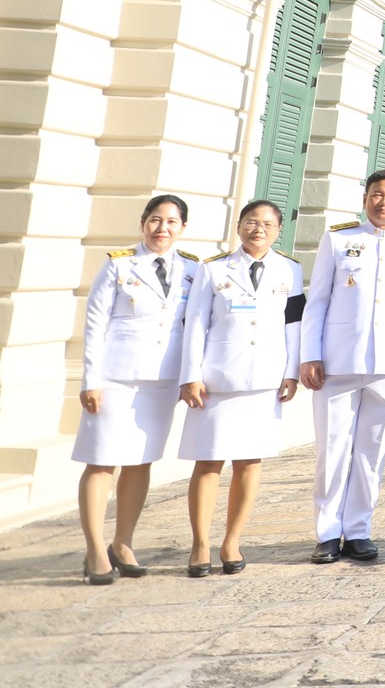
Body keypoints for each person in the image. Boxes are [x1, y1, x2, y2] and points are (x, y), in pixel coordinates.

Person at [299, 168, 385, 563]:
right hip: (338, 361)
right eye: (377, 194)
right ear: (366, 198)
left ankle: (359, 530)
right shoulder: (339, 240)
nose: (384, 202)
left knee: (372, 453)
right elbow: (318, 300)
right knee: (332, 450)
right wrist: (311, 353)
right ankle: (327, 532)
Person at [76, 194, 199, 582]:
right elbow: (95, 325)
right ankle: (96, 549)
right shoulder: (119, 264)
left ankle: (122, 542)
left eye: (171, 222)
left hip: (161, 381)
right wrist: (91, 380)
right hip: (115, 378)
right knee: (101, 460)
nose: (162, 228)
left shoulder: (193, 270)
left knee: (140, 461)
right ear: (143, 222)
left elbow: (195, 327)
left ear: (182, 228)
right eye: (155, 220)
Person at [177, 199, 301, 576]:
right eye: (250, 222)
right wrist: (190, 375)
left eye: (266, 223)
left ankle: (231, 541)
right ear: (239, 226)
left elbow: (293, 325)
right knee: (209, 461)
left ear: (279, 229)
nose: (257, 229)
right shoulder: (213, 270)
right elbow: (195, 324)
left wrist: (291, 371)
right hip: (217, 380)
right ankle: (200, 544)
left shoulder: (290, 270)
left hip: (263, 379)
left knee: (249, 462)